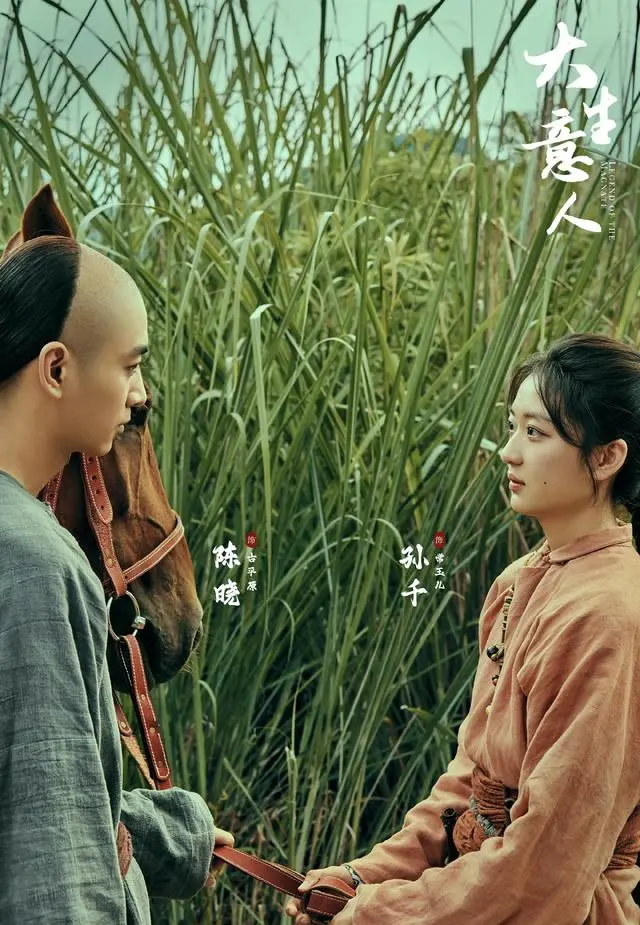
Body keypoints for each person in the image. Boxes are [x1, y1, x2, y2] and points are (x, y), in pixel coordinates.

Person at [285, 332, 640, 925]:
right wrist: (362, 878)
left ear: (606, 458)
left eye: (536, 433)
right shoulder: (516, 582)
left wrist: (380, 913)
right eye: (511, 426)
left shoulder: (611, 617)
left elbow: (547, 868)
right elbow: (472, 787)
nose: (509, 452)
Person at [0, 193, 234, 924]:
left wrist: (169, 840)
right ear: (56, 369)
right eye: (131, 373)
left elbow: (27, 796)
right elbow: (56, 880)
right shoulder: (37, 566)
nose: (137, 393)